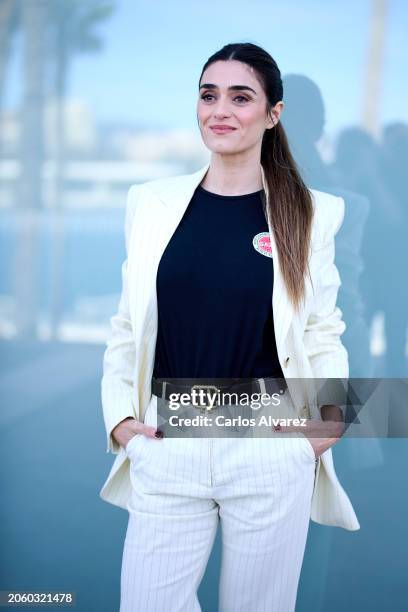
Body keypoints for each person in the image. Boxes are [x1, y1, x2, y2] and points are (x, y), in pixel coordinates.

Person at [99, 42, 360, 612]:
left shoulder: (312, 212)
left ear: (273, 113)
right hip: (168, 440)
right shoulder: (150, 203)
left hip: (271, 443)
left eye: (240, 97)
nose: (220, 109)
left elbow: (321, 329)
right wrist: (121, 420)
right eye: (208, 95)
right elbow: (127, 324)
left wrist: (329, 423)